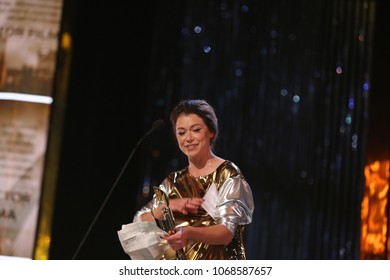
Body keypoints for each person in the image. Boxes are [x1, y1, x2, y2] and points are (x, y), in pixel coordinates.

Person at [133, 99, 254, 260]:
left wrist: (189, 232)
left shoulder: (227, 174)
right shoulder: (172, 181)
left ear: (211, 132)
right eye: (181, 132)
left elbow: (226, 232)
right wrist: (166, 207)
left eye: (196, 130)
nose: (188, 138)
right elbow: (138, 222)